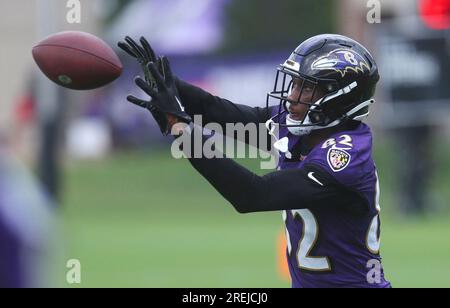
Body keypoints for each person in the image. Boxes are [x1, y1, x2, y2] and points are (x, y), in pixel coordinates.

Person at [118, 34, 391, 288]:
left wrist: (182, 130)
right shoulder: (302, 129)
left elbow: (252, 195)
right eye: (294, 83)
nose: (292, 97)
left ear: (338, 98)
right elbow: (217, 111)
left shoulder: (345, 154)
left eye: (307, 89)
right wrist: (168, 84)